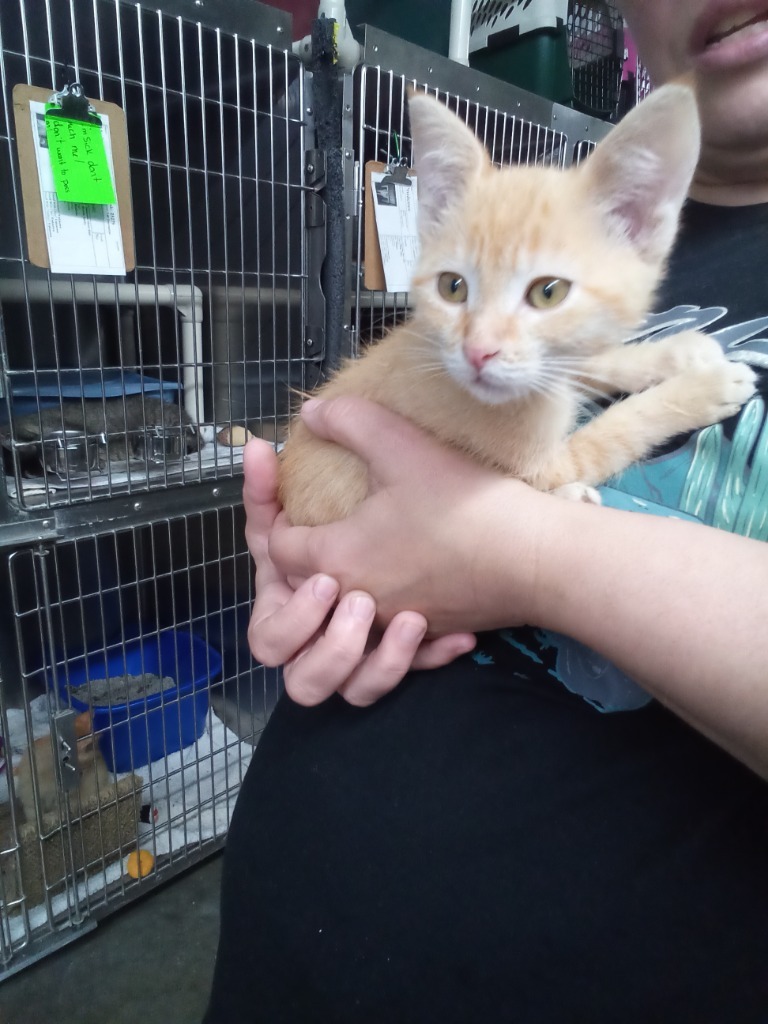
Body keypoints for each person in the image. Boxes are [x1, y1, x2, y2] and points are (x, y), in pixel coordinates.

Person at [204, 3, 768, 1020]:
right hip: (288, 942)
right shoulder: (560, 258)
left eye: (541, 293)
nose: (479, 343)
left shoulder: (598, 234)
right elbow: (510, 436)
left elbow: (531, 485)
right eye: (455, 288)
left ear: (643, 217)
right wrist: (298, 556)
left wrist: (527, 551)